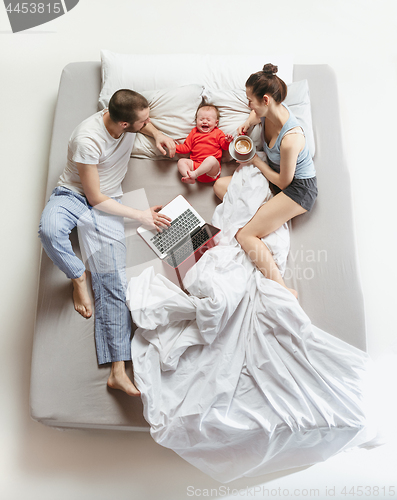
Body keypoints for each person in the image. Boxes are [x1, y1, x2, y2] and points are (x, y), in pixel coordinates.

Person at [38, 89, 176, 396]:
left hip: (107, 199)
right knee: (49, 229)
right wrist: (140, 216)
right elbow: (95, 198)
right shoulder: (87, 139)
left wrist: (157, 134)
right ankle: (77, 277)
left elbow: (144, 122)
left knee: (114, 282)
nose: (149, 123)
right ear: (125, 125)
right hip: (77, 195)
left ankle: (118, 370)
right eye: (145, 122)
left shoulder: (123, 116)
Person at [214, 64, 318, 298]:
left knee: (245, 235)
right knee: (220, 186)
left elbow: (284, 183)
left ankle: (283, 288)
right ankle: (264, 213)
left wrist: (255, 162)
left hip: (296, 189)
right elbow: (254, 114)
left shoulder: (291, 138)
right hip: (272, 177)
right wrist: (248, 124)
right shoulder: (266, 111)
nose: (248, 105)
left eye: (250, 100)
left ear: (266, 99)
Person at [175, 101, 233, 184]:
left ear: (216, 123)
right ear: (196, 121)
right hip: (195, 165)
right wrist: (174, 147)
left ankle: (194, 174)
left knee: (211, 159)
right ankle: (189, 177)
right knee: (181, 162)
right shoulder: (194, 132)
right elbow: (186, 148)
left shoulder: (218, 133)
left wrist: (227, 141)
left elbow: (225, 147)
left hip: (211, 171)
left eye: (208, 120)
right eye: (201, 119)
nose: (204, 122)